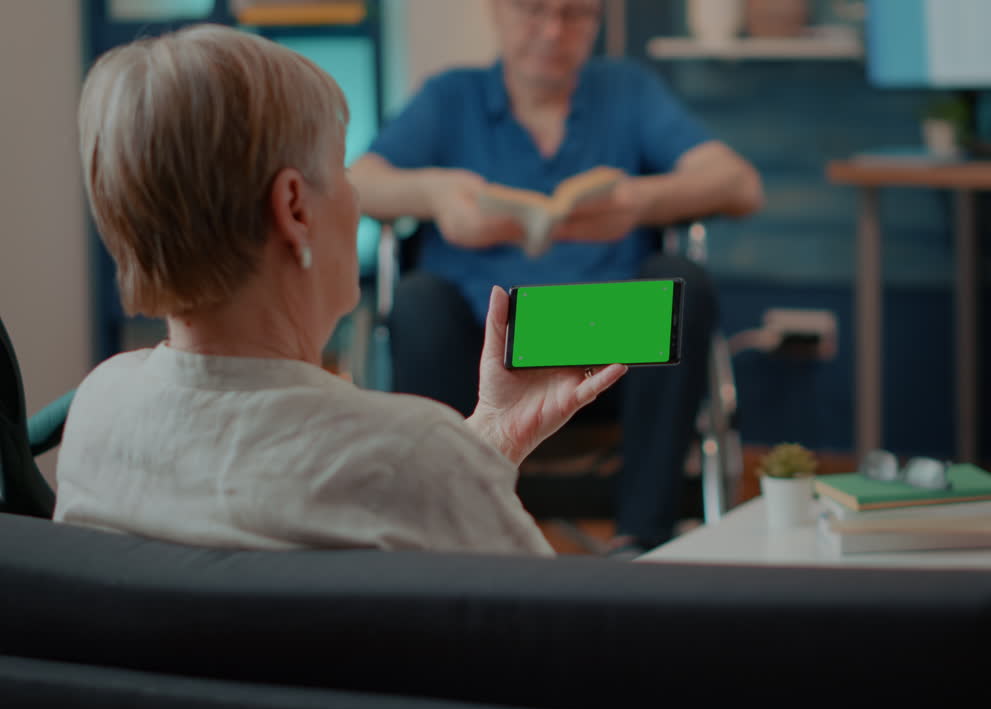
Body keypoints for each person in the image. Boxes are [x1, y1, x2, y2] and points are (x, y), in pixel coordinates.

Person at [54, 24, 626, 555]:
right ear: (295, 209)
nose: (353, 200)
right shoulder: (408, 451)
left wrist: (488, 439)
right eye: (341, 169)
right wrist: (454, 462)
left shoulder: (98, 413)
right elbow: (558, 643)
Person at [351, 0, 764, 554]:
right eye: (534, 10)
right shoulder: (451, 97)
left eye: (576, 14)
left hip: (610, 349)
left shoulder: (626, 90)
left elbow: (740, 184)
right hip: (480, 355)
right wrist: (435, 194)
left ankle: (640, 540)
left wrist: (640, 201)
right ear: (497, 12)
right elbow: (353, 184)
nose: (553, 31)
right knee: (417, 299)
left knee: (680, 281)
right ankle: (441, 536)